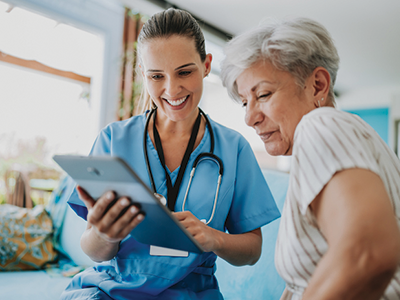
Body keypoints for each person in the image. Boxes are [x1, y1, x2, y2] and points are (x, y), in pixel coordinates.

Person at [60, 8, 280, 300]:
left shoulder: (234, 148)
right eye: (156, 76)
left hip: (193, 293)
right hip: (112, 291)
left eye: (185, 72)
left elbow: (252, 251)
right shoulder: (113, 140)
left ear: (206, 65)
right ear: (143, 75)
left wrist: (214, 238)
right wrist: (106, 235)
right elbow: (93, 250)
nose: (171, 89)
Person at [220, 17, 400, 300]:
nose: (249, 118)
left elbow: (368, 252)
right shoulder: (352, 139)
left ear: (317, 86)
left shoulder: (321, 126)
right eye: (245, 102)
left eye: (263, 94)